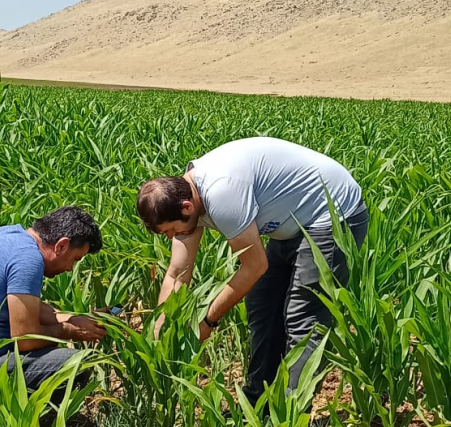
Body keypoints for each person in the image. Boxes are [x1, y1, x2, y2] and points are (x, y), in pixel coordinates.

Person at [136, 136, 368, 404]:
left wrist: (207, 320)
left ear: (187, 208)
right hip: (292, 220)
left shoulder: (221, 194)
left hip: (332, 213)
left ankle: (290, 416)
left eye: (170, 230)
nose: (171, 237)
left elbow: (255, 266)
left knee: (303, 317)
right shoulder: (184, 198)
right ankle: (259, 402)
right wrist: (159, 330)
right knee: (262, 306)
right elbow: (177, 273)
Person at [0, 205, 106, 386]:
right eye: (75, 259)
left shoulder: (9, 235)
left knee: (48, 347)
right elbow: (26, 339)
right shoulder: (29, 259)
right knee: (79, 362)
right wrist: (67, 331)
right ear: (61, 245)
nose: (70, 269)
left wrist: (75, 320)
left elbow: (29, 308)